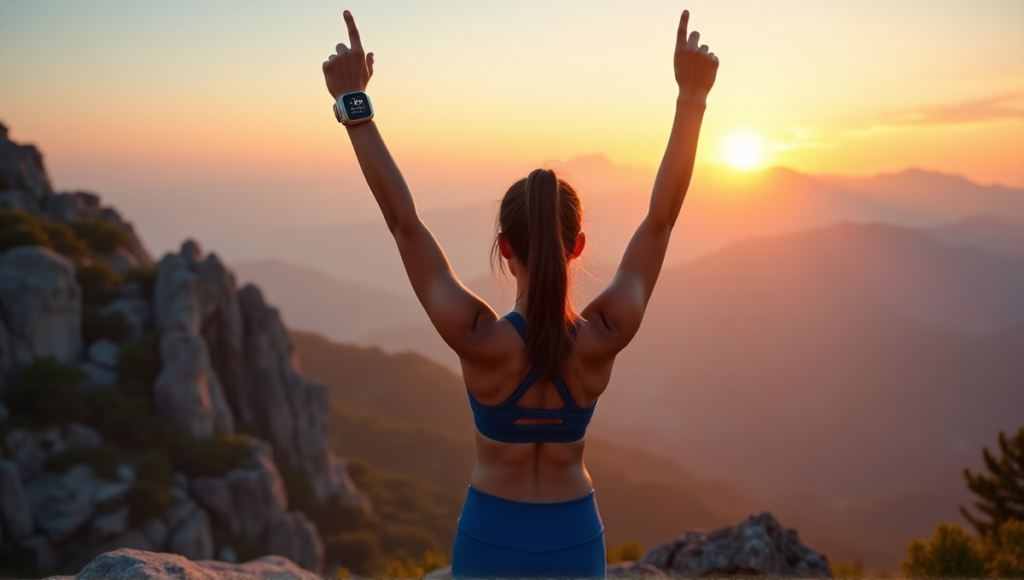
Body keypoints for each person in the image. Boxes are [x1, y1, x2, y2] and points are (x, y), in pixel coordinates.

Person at [322, 8, 717, 578]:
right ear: (577, 246)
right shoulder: (605, 335)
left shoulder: (477, 338)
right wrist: (691, 99)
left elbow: (403, 222)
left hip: (491, 536)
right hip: (573, 537)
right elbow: (662, 220)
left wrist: (354, 105)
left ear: (504, 247)